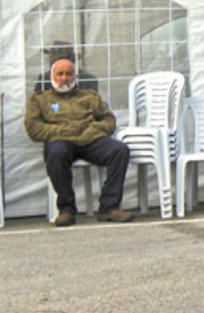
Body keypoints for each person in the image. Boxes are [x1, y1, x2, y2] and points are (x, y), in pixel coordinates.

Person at [25, 57, 133, 226]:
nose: (64, 78)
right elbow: (33, 128)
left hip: (90, 141)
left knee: (120, 150)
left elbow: (109, 120)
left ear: (75, 77)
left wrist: (92, 131)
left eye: (69, 74)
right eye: (60, 74)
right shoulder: (40, 100)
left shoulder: (89, 96)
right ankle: (66, 209)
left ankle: (109, 206)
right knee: (56, 153)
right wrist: (62, 132)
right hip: (61, 141)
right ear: (51, 76)